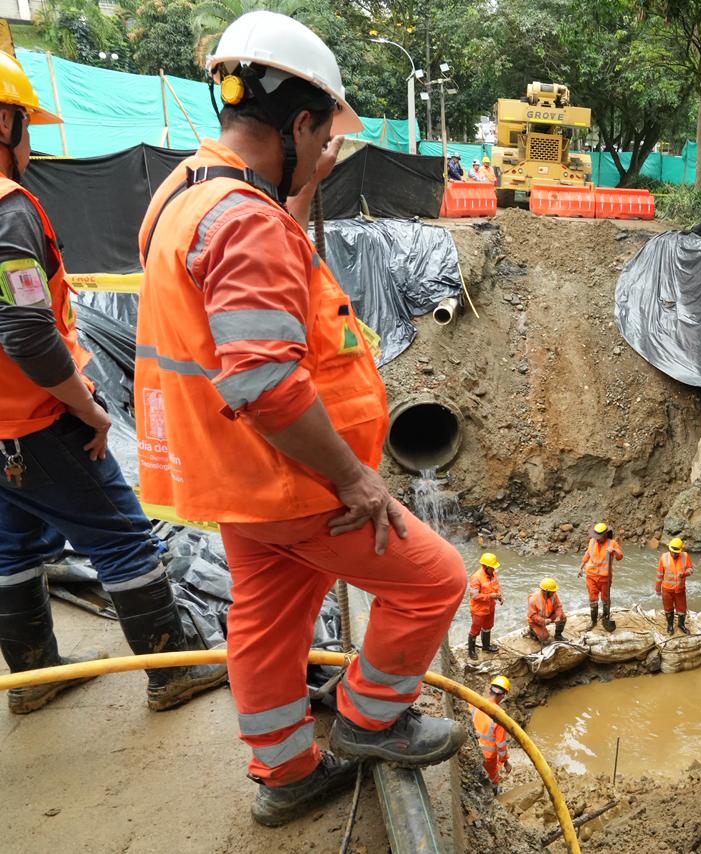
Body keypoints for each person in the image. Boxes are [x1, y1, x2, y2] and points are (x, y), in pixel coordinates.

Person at [134, 12, 468, 827]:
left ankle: (283, 770)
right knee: (435, 583)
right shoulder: (249, 225)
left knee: (267, 621)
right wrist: (355, 477)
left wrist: (298, 190)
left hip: (237, 480)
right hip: (300, 484)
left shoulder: (188, 194)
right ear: (302, 120)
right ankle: (368, 722)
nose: (326, 156)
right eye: (324, 139)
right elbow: (267, 384)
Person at [0, 52, 227, 716]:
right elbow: (28, 332)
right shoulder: (10, 212)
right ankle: (171, 671)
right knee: (125, 535)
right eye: (28, 126)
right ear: (4, 121)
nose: (34, 143)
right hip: (34, 419)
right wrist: (90, 411)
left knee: (10, 542)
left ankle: (34, 675)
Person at [470, 674, 511, 792]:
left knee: (475, 774)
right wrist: (505, 762)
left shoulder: (475, 704)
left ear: (490, 690)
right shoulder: (499, 716)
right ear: (502, 695)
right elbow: (501, 746)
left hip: (472, 749)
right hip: (488, 756)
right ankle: (495, 792)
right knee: (493, 776)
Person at [578, 521, 622, 631]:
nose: (597, 538)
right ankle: (593, 620)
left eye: (599, 537)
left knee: (605, 599)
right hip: (591, 576)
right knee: (593, 599)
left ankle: (606, 617)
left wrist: (614, 551)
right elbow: (587, 554)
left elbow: (620, 556)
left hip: (605, 578)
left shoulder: (612, 543)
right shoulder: (592, 541)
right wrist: (581, 567)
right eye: (595, 536)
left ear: (605, 535)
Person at [467, 552, 503, 660]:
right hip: (479, 610)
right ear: (485, 567)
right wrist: (490, 596)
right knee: (475, 630)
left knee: (488, 627)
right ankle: (471, 650)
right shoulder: (476, 578)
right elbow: (474, 596)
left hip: (490, 607)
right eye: (492, 568)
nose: (494, 570)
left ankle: (486, 646)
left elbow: (497, 586)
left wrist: (500, 595)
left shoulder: (493, 574)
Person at [655, 537, 693, 634]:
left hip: (680, 590)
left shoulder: (685, 556)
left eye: (677, 552)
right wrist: (658, 589)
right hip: (667, 590)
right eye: (673, 552)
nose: (675, 554)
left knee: (682, 610)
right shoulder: (664, 557)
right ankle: (670, 625)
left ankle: (681, 625)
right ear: (669, 549)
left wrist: (685, 573)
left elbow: (691, 569)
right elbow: (659, 575)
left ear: (681, 550)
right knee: (668, 609)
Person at [526, 577, 565, 644]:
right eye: (552, 592)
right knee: (545, 638)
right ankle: (532, 631)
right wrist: (543, 621)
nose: (554, 593)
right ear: (545, 591)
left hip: (548, 616)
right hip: (536, 621)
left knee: (562, 617)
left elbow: (558, 607)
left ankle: (558, 635)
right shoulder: (533, 599)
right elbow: (532, 615)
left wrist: (558, 616)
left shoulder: (553, 595)